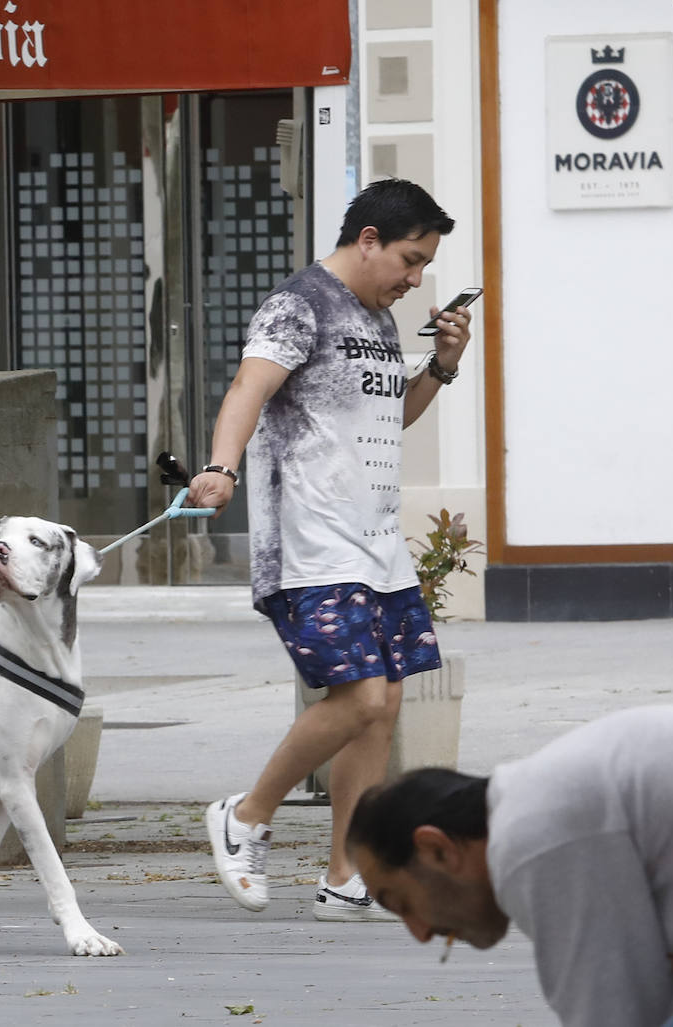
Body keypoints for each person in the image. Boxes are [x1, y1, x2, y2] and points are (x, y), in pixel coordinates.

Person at [186, 177, 475, 921]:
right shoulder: (299, 304)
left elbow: (390, 416)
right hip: (311, 544)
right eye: (409, 260)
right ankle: (245, 815)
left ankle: (346, 874)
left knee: (384, 707)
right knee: (361, 698)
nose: (415, 281)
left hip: (376, 543)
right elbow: (249, 387)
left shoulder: (378, 321)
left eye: (424, 268)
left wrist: (440, 367)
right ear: (368, 239)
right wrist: (221, 467)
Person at [346, 705, 673, 1026]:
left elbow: (614, 1015)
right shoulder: (547, 800)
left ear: (438, 848)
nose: (418, 932)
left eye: (401, 903)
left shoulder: (531, 839)